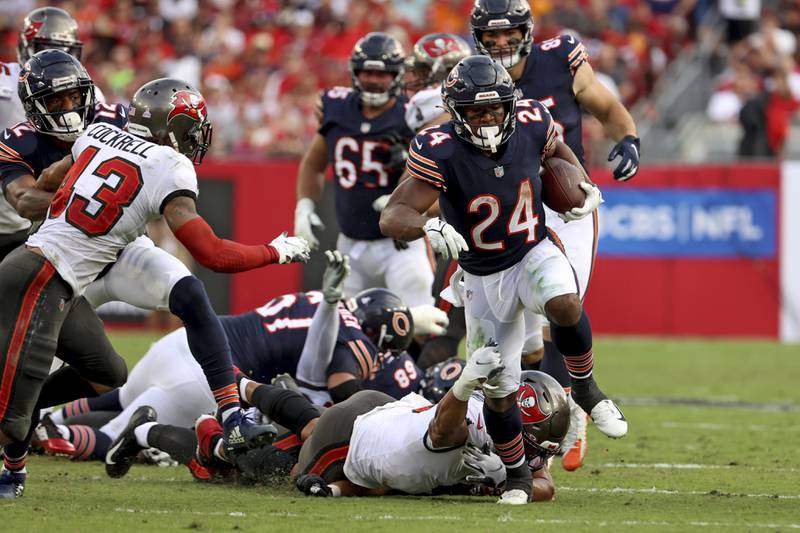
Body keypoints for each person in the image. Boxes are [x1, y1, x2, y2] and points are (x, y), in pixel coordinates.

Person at [0, 71, 309, 498]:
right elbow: (213, 254)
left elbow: (47, 181)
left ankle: (232, 412)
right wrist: (275, 251)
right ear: (175, 128)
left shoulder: (98, 132)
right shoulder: (168, 162)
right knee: (20, 384)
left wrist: (75, 200)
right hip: (55, 267)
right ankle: (13, 468)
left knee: (153, 331)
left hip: (108, 249)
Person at [379, 55, 625, 504]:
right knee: (499, 386)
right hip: (481, 276)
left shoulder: (532, 120)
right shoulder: (440, 147)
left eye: (493, 109)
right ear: (457, 112)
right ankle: (516, 477)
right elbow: (394, 214)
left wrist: (581, 182)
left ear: (510, 105)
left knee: (565, 303)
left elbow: (557, 153)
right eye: (474, 111)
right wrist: (427, 226)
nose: (486, 118)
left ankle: (587, 390)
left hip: (532, 249)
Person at [470, 0, 640, 470]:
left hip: (566, 204)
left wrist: (628, 137)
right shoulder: (473, 78)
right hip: (507, 209)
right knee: (518, 336)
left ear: (526, 30)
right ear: (478, 37)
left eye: (509, 34)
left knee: (561, 310)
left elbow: (606, 105)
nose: (501, 43)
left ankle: (571, 411)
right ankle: (533, 420)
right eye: (492, 35)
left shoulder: (559, 56)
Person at [293, 32, 434, 307]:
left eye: (383, 74)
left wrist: (405, 180)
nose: (374, 79)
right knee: (346, 327)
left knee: (419, 321)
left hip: (400, 244)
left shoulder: (413, 114)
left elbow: (435, 173)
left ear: (397, 75)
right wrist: (304, 207)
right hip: (350, 243)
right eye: (367, 71)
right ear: (354, 72)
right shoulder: (336, 108)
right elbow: (313, 163)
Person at [0, 6, 104, 261]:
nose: (57, 57)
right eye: (46, 47)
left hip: (40, 219)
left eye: (67, 49)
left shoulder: (88, 95)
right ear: (26, 47)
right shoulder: (4, 84)